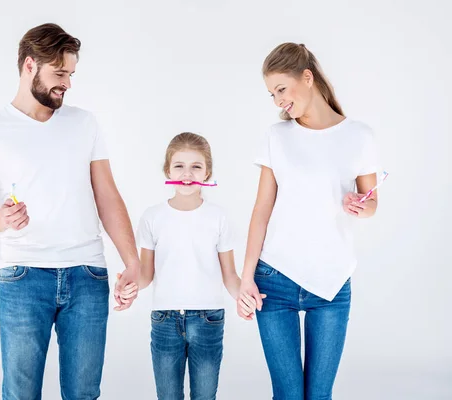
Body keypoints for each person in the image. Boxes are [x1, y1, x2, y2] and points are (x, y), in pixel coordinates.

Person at [0, 23, 140, 400]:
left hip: (87, 275)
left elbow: (107, 196)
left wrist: (132, 260)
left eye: (71, 74)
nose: (68, 84)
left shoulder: (84, 123)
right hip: (23, 279)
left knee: (84, 394)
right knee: (21, 393)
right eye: (60, 73)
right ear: (30, 65)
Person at [237, 43, 381, 400]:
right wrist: (246, 278)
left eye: (281, 89)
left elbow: (372, 200)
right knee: (287, 394)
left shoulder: (359, 135)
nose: (277, 101)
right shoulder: (277, 136)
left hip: (331, 284)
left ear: (307, 77)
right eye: (271, 94)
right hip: (274, 281)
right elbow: (261, 210)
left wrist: (363, 208)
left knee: (318, 396)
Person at [118, 132, 244, 400]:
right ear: (168, 170)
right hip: (165, 320)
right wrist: (129, 286)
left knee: (205, 396)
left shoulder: (219, 217)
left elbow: (230, 276)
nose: (187, 174)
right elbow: (146, 275)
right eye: (179, 166)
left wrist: (245, 296)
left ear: (207, 173)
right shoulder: (152, 217)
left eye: (196, 166)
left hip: (208, 319)